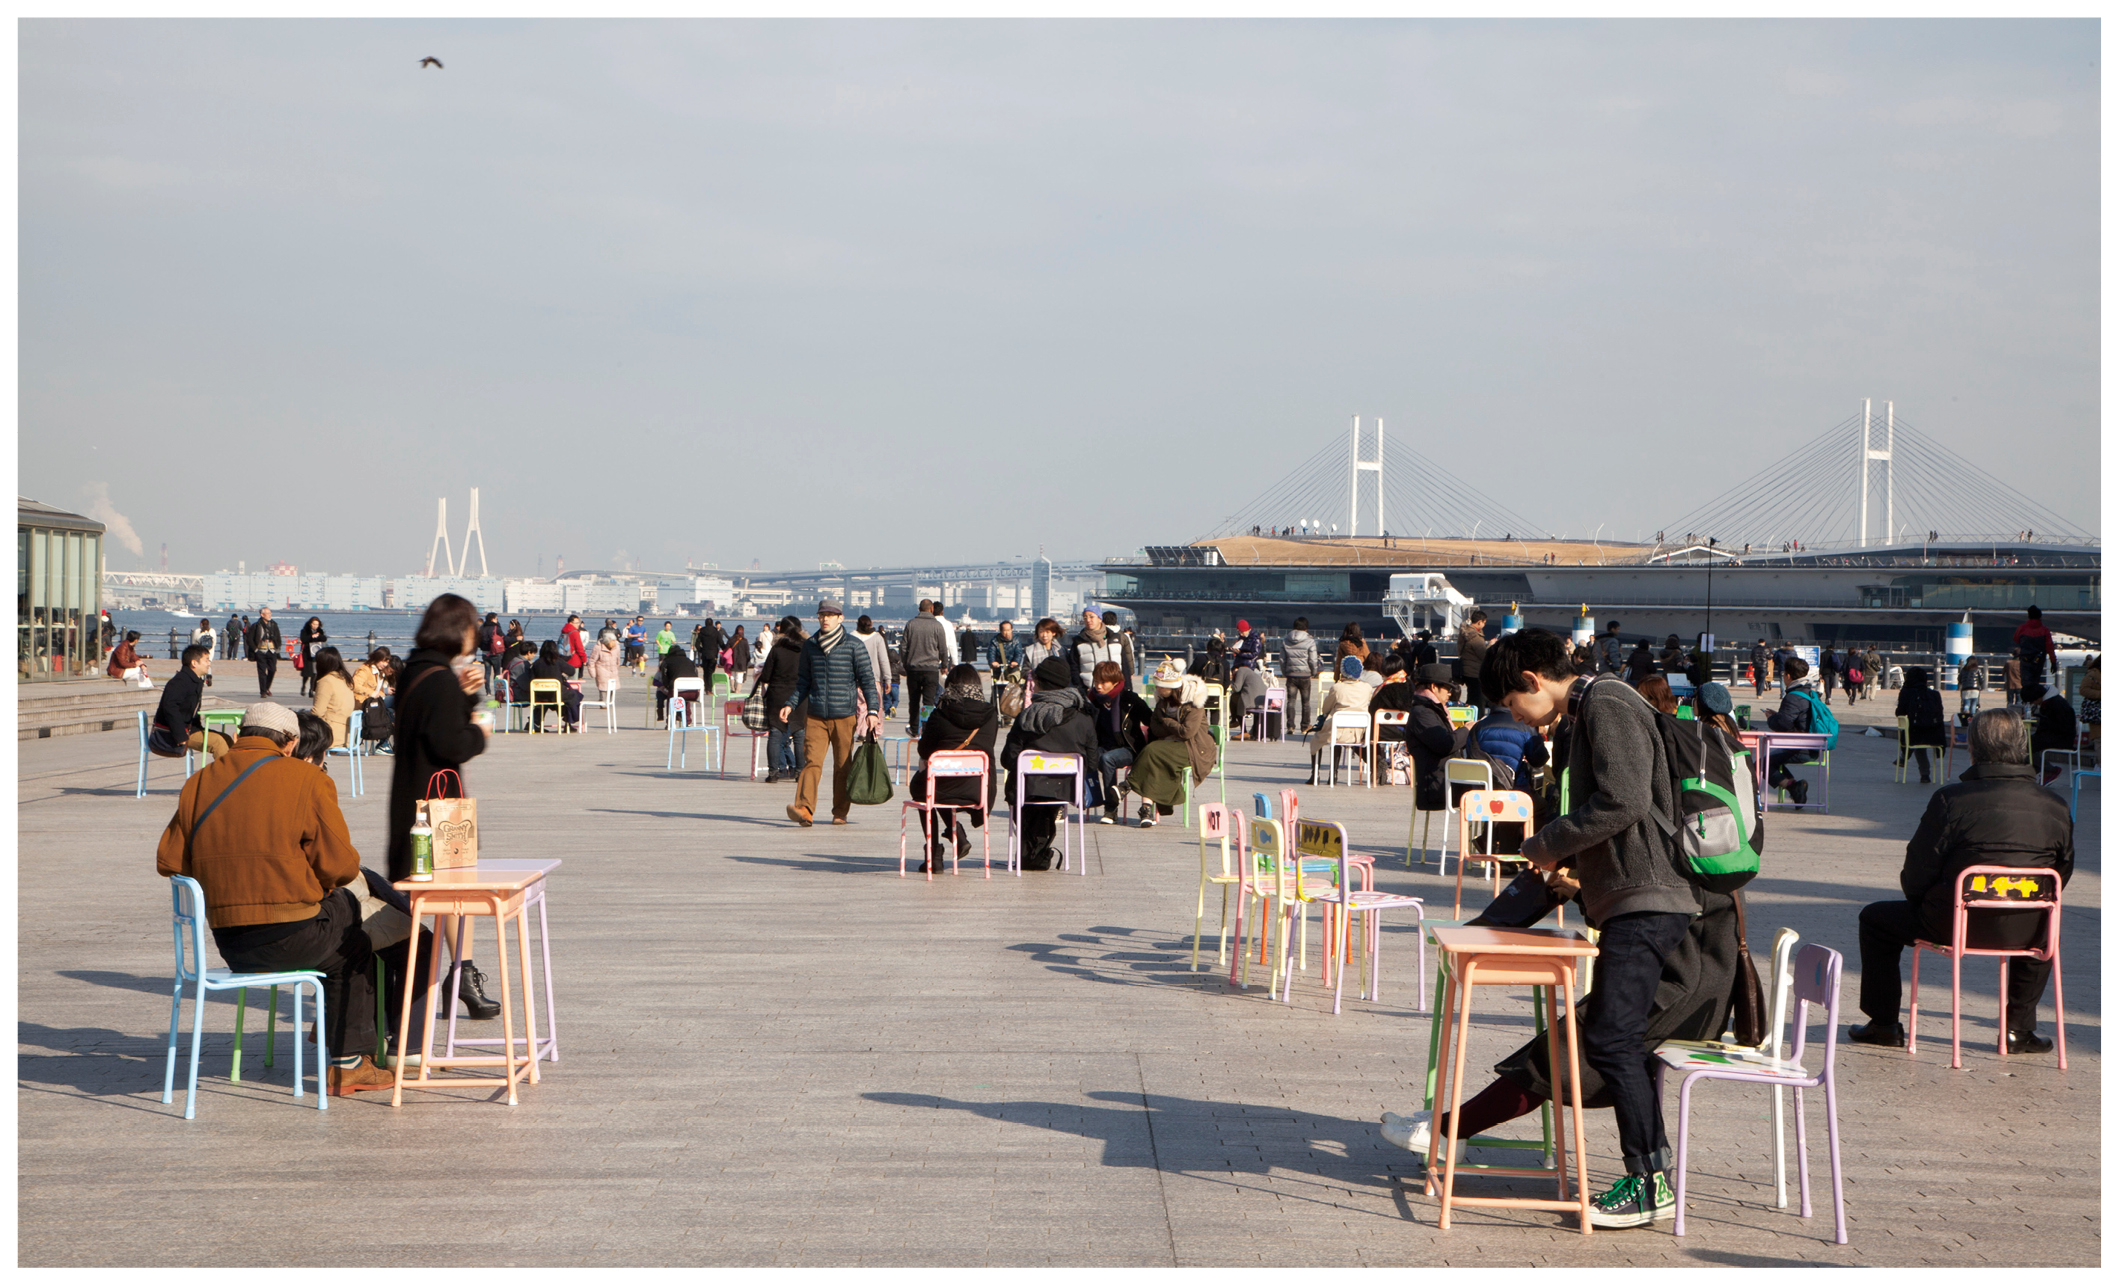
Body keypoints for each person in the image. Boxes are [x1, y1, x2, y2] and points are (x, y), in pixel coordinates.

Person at [1471, 627, 1703, 1228]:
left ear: (1531, 681)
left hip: (1647, 899)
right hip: (1634, 897)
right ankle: (1650, 1174)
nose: (1519, 719)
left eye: (1513, 705)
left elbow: (1622, 801)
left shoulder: (1607, 702)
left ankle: (1650, 1181)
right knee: (1615, 1037)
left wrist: (1548, 842)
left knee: (1612, 1039)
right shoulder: (1599, 704)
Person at [155, 701, 435, 1094]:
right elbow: (339, 866)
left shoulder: (197, 783)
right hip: (292, 939)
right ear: (289, 744)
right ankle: (349, 1063)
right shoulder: (306, 780)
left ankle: (352, 1051)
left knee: (344, 927)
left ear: (239, 737)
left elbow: (169, 862)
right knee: (355, 935)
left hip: (231, 946)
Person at [1849, 707, 2072, 1055]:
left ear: (1974, 748)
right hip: (2026, 926)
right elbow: (2061, 874)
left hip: (1952, 922)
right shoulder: (2055, 805)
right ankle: (2018, 1030)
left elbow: (1918, 870)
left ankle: (1884, 1024)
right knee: (2044, 916)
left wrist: (1923, 903)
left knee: (1874, 919)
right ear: (2021, 745)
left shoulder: (1951, 800)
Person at [386, 594, 500, 1021]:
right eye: (472, 626)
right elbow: (450, 742)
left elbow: (435, 725)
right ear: (458, 630)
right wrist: (480, 731)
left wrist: (465, 697)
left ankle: (461, 973)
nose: (476, 635)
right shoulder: (438, 679)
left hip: (413, 804)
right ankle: (451, 976)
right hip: (438, 813)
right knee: (455, 892)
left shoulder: (418, 672)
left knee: (446, 895)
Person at [780, 599, 882, 828]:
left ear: (840, 618)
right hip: (816, 714)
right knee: (811, 762)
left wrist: (872, 711)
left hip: (845, 715)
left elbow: (867, 681)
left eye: (830, 615)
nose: (825, 619)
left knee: (842, 765)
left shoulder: (854, 645)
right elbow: (803, 681)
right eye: (821, 615)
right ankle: (804, 809)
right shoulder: (810, 645)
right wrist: (791, 704)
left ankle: (840, 812)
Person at [907, 664, 1001, 872]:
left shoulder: (940, 714)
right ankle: (954, 832)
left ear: (949, 686)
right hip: (979, 789)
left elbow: (924, 750)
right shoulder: (990, 715)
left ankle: (935, 852)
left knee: (924, 788)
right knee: (938, 783)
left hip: (943, 787)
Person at [1116, 661, 1215, 829]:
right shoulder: (1163, 702)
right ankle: (1145, 810)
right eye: (1158, 686)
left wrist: (1167, 722)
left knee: (1153, 751)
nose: (1159, 690)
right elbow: (1155, 728)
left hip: (1195, 748)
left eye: (1162, 687)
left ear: (1174, 687)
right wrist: (1170, 727)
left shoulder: (1193, 703)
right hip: (1169, 745)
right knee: (1154, 760)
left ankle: (1127, 785)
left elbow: (1187, 732)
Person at [1085, 660, 1153, 824]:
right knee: (1089, 755)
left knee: (1107, 759)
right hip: (1104, 746)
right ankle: (1091, 798)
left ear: (1115, 682)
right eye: (1096, 681)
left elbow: (1151, 720)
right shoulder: (1093, 701)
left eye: (1103, 682)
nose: (1098, 686)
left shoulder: (1129, 699)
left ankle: (1110, 808)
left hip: (1128, 747)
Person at [148, 644, 231, 762]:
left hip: (190, 729)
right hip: (170, 733)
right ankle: (223, 778)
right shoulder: (179, 681)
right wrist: (180, 735)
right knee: (218, 742)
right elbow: (169, 707)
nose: (209, 663)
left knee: (226, 738)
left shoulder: (194, 681)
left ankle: (236, 775)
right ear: (194, 663)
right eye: (206, 660)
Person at [1307, 655, 1377, 785]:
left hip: (1339, 728)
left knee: (1318, 738)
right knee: (1336, 736)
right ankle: (1333, 774)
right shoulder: (1367, 687)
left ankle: (1316, 774)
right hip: (1358, 732)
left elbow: (1325, 708)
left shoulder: (1337, 688)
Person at [1764, 656, 1820, 804]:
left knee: (1762, 763)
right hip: (1816, 747)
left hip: (1800, 748)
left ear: (1788, 676)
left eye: (1783, 675)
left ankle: (1793, 786)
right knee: (1772, 760)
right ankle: (1795, 788)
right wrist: (1779, 716)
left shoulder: (1793, 697)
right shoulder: (1810, 693)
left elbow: (1782, 725)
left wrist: (1771, 718)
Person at [901, 600, 952, 737]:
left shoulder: (911, 624)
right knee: (928, 702)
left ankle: (913, 728)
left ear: (919, 609)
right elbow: (943, 648)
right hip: (931, 669)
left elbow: (903, 647)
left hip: (913, 668)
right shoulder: (937, 625)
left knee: (914, 700)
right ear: (931, 609)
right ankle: (926, 727)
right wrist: (944, 665)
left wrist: (906, 663)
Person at [1894, 666, 1948, 784]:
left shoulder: (1906, 692)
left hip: (1914, 734)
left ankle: (1905, 758)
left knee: (1914, 734)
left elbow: (1900, 713)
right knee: (1920, 733)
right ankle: (1924, 774)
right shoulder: (1934, 694)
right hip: (1935, 735)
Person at [1280, 616, 1321, 738]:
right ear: (1306, 628)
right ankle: (1304, 726)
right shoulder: (1310, 640)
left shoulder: (1286, 639)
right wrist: (1314, 672)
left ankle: (1290, 726)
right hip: (1305, 675)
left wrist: (1284, 672)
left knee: (1291, 701)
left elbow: (1282, 659)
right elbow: (1313, 659)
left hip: (1291, 674)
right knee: (1306, 702)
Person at [532, 638, 585, 730]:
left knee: (544, 701)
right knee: (573, 696)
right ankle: (568, 723)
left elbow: (531, 679)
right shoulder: (558, 661)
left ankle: (534, 723)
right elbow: (571, 671)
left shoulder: (536, 663)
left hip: (540, 694)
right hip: (557, 694)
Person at [309, 646, 356, 747]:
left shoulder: (326, 681)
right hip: (347, 734)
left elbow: (318, 712)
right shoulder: (346, 679)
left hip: (331, 734)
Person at [1071, 608, 1126, 693]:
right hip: (1089, 689)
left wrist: (1126, 686)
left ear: (1100, 619)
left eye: (1091, 617)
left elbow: (1125, 663)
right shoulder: (1079, 640)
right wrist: (1080, 686)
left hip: (1114, 688)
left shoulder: (1114, 637)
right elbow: (1074, 666)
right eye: (1085, 618)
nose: (1088, 620)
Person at [854, 616, 896, 725]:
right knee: (876, 706)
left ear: (857, 624)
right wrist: (888, 679)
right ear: (871, 624)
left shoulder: (852, 636)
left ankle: (861, 730)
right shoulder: (877, 638)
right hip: (874, 678)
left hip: (856, 679)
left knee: (860, 707)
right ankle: (874, 732)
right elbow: (883, 660)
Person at [2013, 605, 2058, 704]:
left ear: (2028, 616)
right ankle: (2034, 703)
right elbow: (2050, 647)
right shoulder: (2044, 630)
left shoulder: (2022, 628)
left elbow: (2016, 639)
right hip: (2038, 660)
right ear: (2040, 617)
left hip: (2025, 659)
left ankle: (2025, 704)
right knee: (2035, 683)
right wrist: (2053, 662)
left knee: (2025, 683)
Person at [2031, 688, 2078, 782]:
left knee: (2026, 745)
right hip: (2061, 736)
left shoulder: (2053, 704)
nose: (2034, 703)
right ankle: (2042, 770)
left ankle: (2048, 770)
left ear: (2038, 698)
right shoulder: (2054, 701)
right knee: (2028, 743)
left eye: (2033, 701)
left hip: (2061, 738)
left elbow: (2055, 725)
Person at [652, 640, 701, 725]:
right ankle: (687, 721)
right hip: (694, 693)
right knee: (686, 697)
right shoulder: (689, 661)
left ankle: (671, 722)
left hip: (677, 692)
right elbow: (696, 674)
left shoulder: (667, 662)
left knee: (671, 698)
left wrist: (667, 687)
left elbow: (664, 677)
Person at [1454, 610, 1491, 714]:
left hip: (1466, 671)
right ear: (1479, 622)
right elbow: (1483, 655)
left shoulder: (1465, 634)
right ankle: (1476, 721)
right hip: (1475, 672)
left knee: (1472, 697)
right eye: (1484, 622)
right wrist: (1491, 645)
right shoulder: (1475, 638)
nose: (1484, 625)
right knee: (1478, 700)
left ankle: (1468, 718)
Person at [245, 607, 283, 697]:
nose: (269, 615)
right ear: (262, 615)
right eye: (267, 613)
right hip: (261, 651)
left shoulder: (273, 624)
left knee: (272, 670)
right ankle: (263, 691)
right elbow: (249, 639)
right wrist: (256, 649)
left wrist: (277, 646)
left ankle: (266, 687)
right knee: (262, 672)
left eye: (270, 613)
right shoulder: (256, 625)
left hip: (272, 650)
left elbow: (278, 637)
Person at [297, 617, 328, 698]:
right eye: (314, 624)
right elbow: (303, 639)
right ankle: (303, 686)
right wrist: (311, 636)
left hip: (316, 653)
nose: (315, 626)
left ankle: (311, 690)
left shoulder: (320, 631)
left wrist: (318, 636)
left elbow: (324, 638)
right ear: (310, 624)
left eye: (317, 624)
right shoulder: (304, 630)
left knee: (314, 673)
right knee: (307, 673)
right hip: (307, 654)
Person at [1101, 611, 1138, 680]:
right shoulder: (1123, 636)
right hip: (1119, 670)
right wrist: (1131, 671)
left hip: (1102, 670)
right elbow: (1129, 654)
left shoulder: (1099, 634)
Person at [479, 613, 507, 693]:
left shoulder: (482, 628)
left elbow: (478, 640)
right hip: (495, 653)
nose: (497, 620)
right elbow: (503, 637)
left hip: (485, 653)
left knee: (487, 672)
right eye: (496, 619)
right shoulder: (496, 628)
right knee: (497, 672)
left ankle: (488, 690)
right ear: (493, 619)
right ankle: (497, 691)